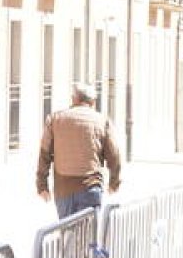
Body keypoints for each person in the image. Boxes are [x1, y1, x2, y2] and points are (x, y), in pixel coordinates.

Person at [36, 82, 122, 219]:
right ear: (93, 102)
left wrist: (42, 186)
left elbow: (44, 153)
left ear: (74, 99)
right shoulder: (102, 121)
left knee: (68, 234)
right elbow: (114, 155)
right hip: (91, 188)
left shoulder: (55, 119)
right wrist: (114, 183)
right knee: (88, 235)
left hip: (63, 190)